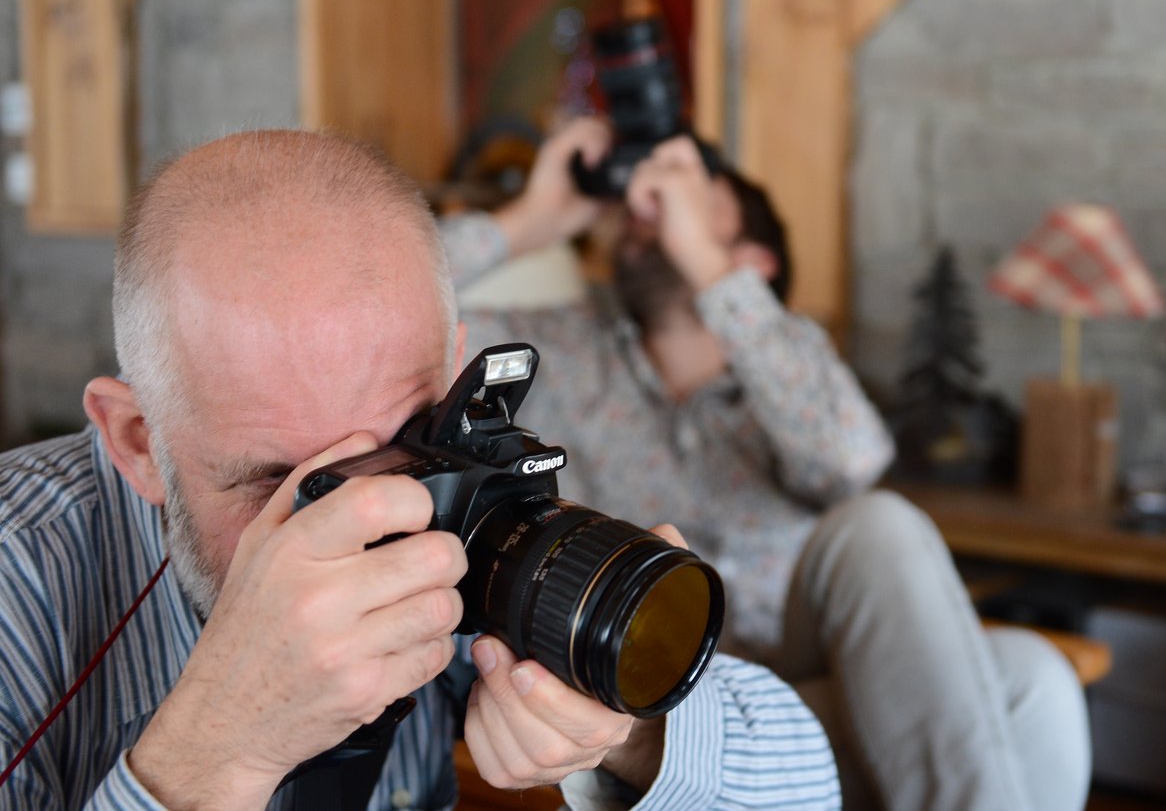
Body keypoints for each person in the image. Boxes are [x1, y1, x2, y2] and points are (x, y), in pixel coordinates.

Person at [0, 130, 843, 810]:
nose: (374, 526)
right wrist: (218, 750)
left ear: (454, 374)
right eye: (286, 483)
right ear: (139, 440)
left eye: (409, 440)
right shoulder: (20, 580)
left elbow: (804, 783)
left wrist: (625, 738)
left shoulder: (455, 503)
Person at [442, 118, 1093, 810]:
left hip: (806, 665)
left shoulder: (785, 360)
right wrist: (530, 220)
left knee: (879, 527)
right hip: (675, 694)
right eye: (642, 204)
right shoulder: (565, 346)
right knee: (1029, 676)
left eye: (688, 204)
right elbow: (402, 308)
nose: (647, 211)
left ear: (752, 265)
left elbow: (854, 459)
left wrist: (707, 266)